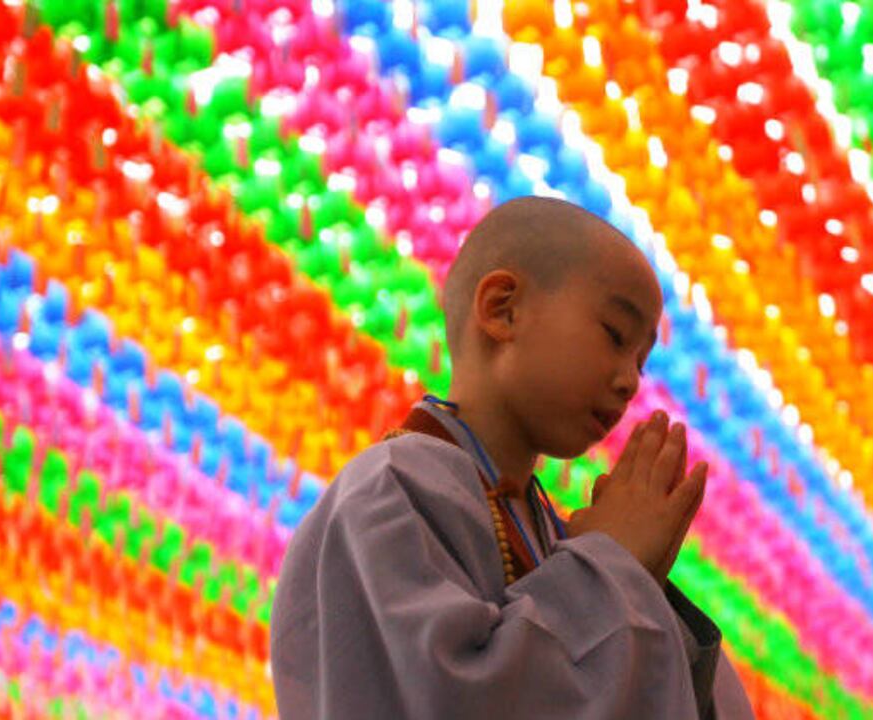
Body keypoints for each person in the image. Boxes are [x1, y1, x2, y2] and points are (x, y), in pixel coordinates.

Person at [269, 196, 755, 718]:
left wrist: (642, 582)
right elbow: (447, 699)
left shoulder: (558, 536)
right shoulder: (392, 490)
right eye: (614, 336)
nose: (630, 382)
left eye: (640, 361)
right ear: (503, 308)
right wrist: (615, 569)